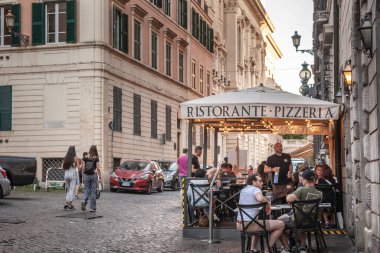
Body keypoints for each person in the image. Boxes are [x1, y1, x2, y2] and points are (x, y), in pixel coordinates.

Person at [237, 174, 285, 253]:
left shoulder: (243, 190)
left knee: (259, 222)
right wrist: (267, 203)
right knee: (281, 224)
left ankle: (252, 249)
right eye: (260, 181)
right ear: (253, 182)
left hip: (240, 224)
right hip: (250, 224)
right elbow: (259, 198)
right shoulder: (255, 189)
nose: (262, 183)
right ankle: (267, 250)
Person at [278, 170, 323, 252]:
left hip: (297, 221)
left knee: (278, 223)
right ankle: (302, 246)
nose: (301, 181)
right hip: (312, 221)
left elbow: (288, 198)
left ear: (305, 180)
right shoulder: (320, 193)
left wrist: (290, 197)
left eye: (302, 179)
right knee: (303, 220)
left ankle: (287, 247)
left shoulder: (302, 190)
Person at [81, 145, 102, 212]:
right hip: (93, 175)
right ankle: (92, 208)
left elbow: (83, 168)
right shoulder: (96, 158)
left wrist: (82, 176)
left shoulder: (85, 157)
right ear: (95, 150)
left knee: (86, 189)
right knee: (93, 191)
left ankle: (84, 201)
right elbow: (98, 168)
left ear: (90, 150)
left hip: (86, 175)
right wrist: (100, 177)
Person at [62, 146, 81, 210]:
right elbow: (78, 167)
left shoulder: (66, 158)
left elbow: (62, 167)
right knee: (72, 190)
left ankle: (67, 203)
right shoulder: (75, 158)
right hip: (72, 174)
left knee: (68, 189)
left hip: (66, 174)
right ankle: (69, 204)